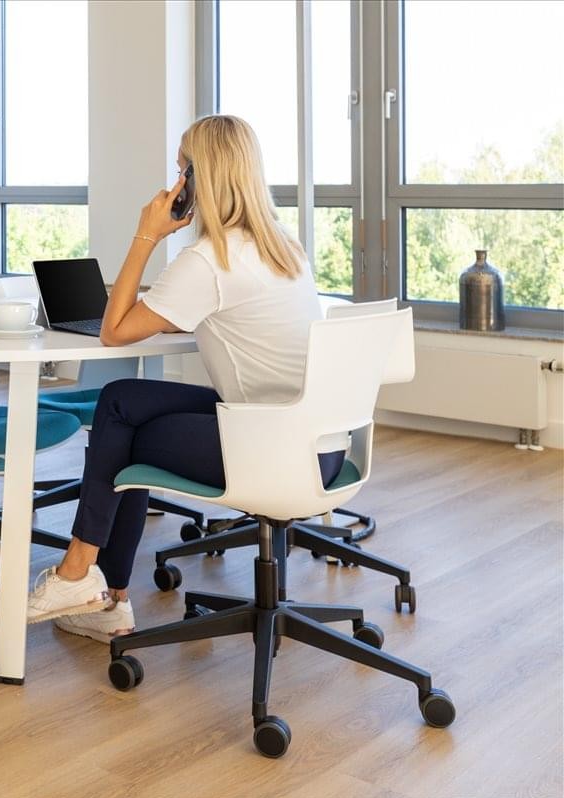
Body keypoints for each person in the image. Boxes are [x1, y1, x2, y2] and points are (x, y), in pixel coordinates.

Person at [26, 114, 344, 643]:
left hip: (271, 447)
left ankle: (86, 582)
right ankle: (91, 587)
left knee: (121, 436)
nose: (174, 184)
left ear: (200, 180)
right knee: (121, 402)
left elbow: (114, 331)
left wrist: (146, 234)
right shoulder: (284, 248)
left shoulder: (210, 261)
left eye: (182, 171)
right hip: (319, 442)